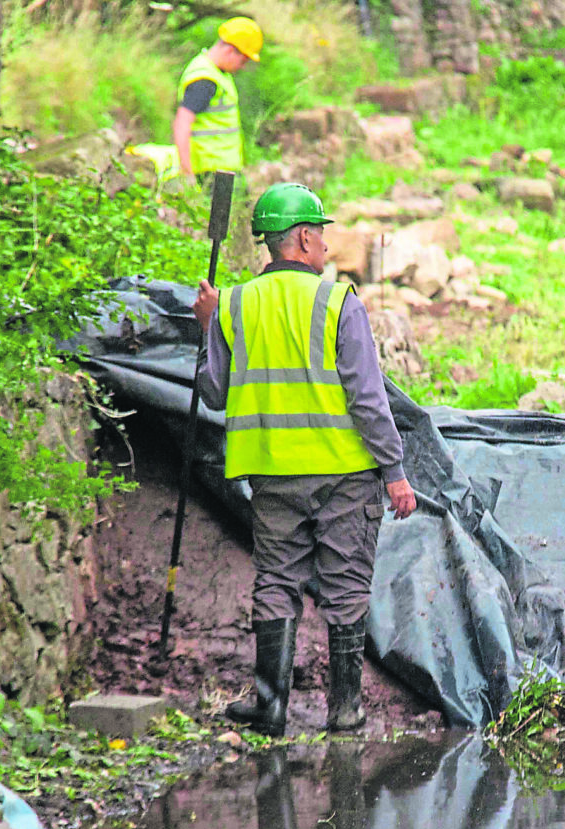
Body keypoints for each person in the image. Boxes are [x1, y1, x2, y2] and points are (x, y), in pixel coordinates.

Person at [192, 182, 417, 738]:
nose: (326, 251)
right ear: (305, 238)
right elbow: (369, 398)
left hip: (271, 473)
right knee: (344, 585)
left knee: (276, 581)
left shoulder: (235, 304)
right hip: (343, 473)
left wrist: (207, 330)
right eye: (323, 238)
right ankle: (344, 709)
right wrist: (394, 472)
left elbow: (214, 393)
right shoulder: (338, 302)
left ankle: (271, 708)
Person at [172, 16, 263, 179]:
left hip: (221, 172)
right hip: (210, 174)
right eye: (243, 61)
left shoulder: (217, 73)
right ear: (229, 51)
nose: (242, 67)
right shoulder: (205, 80)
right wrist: (187, 173)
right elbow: (182, 123)